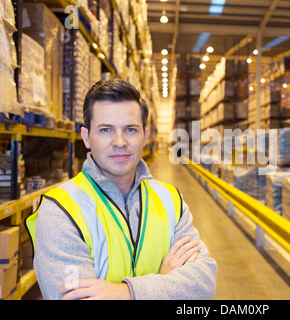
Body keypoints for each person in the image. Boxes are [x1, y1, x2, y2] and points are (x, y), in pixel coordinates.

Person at [25, 79, 217, 300]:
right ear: (86, 137)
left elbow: (203, 284)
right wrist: (164, 283)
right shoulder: (61, 210)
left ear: (145, 136)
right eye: (106, 130)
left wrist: (126, 293)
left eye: (130, 129)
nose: (119, 141)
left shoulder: (170, 200)